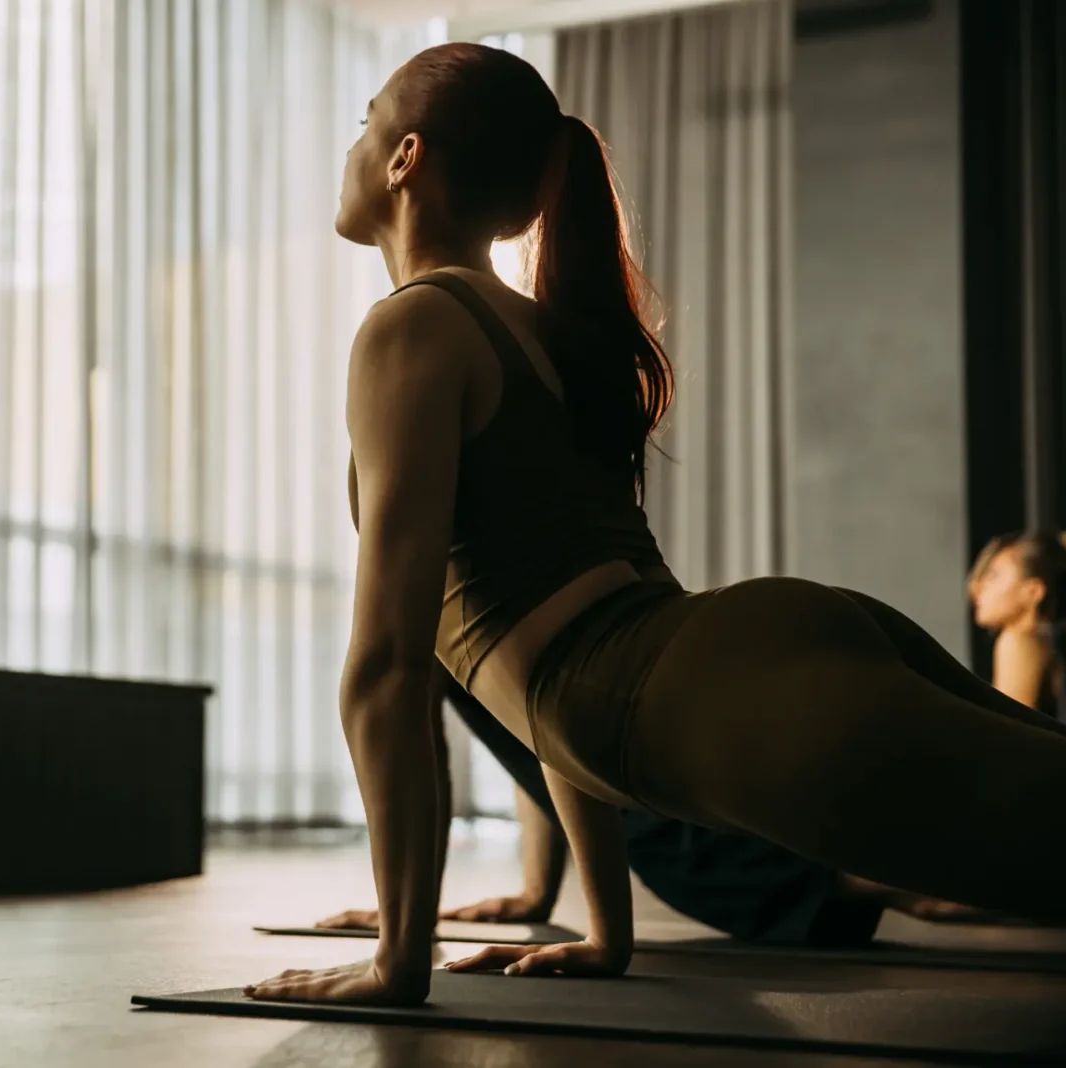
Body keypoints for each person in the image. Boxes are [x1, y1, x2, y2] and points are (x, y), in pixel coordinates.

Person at [242, 42, 1066, 1007]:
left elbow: (387, 668)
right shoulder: (534, 328)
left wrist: (398, 961)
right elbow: (561, 664)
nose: (350, 149)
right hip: (732, 655)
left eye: (364, 122)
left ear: (405, 158)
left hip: (707, 692)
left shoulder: (412, 328)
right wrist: (607, 933)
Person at [317, 668, 987, 948]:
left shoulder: (449, 598)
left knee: (918, 888)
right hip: (661, 776)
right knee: (911, 881)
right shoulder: (494, 592)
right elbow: (527, 747)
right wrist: (533, 893)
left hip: (655, 806)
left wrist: (403, 918)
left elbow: (421, 756)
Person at [968, 530, 1066, 716]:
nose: (978, 587)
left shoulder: (1017, 641)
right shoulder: (1045, 642)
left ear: (1033, 592)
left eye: (994, 576)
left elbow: (1009, 730)